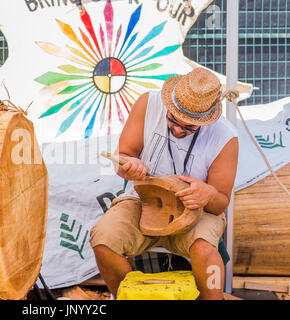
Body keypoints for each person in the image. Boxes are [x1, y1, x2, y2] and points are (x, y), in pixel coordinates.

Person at [90, 68, 239, 300]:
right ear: (169, 104)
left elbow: (220, 203)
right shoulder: (147, 104)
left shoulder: (225, 136)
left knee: (205, 249)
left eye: (189, 127)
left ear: (207, 119)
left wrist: (207, 194)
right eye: (173, 120)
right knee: (103, 238)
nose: (178, 129)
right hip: (142, 202)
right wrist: (130, 164)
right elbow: (124, 156)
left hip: (193, 211)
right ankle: (128, 297)